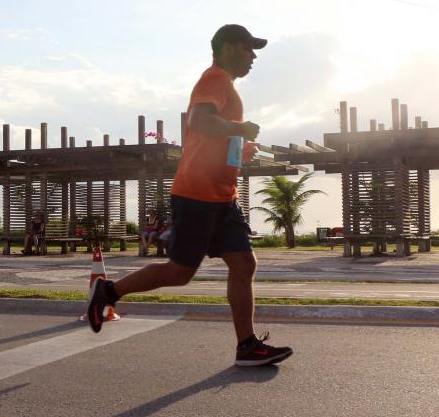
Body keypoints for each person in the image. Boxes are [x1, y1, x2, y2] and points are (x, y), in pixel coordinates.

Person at [88, 24, 293, 367]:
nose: (253, 56)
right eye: (247, 48)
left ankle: (247, 345)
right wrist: (239, 129)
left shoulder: (224, 84)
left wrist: (239, 147)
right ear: (227, 49)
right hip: (198, 194)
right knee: (180, 272)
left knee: (244, 263)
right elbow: (199, 121)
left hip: (222, 196)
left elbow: (212, 135)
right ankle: (108, 291)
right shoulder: (214, 78)